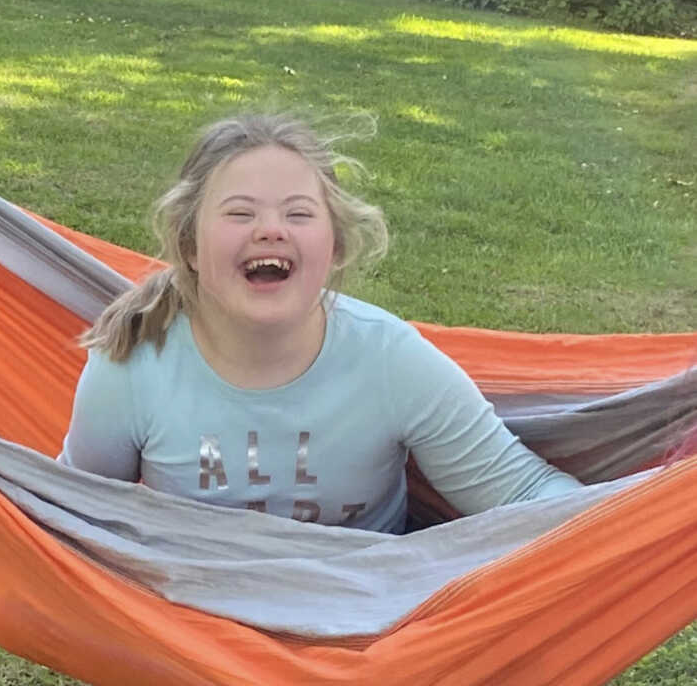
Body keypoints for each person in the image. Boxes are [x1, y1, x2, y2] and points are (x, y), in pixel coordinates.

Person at [58, 114, 582, 533]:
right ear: (190, 245)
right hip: (197, 639)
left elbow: (523, 496)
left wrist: (646, 520)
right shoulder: (134, 365)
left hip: (366, 638)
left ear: (335, 247)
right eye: (239, 213)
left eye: (300, 214)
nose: (270, 230)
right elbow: (74, 512)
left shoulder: (389, 361)